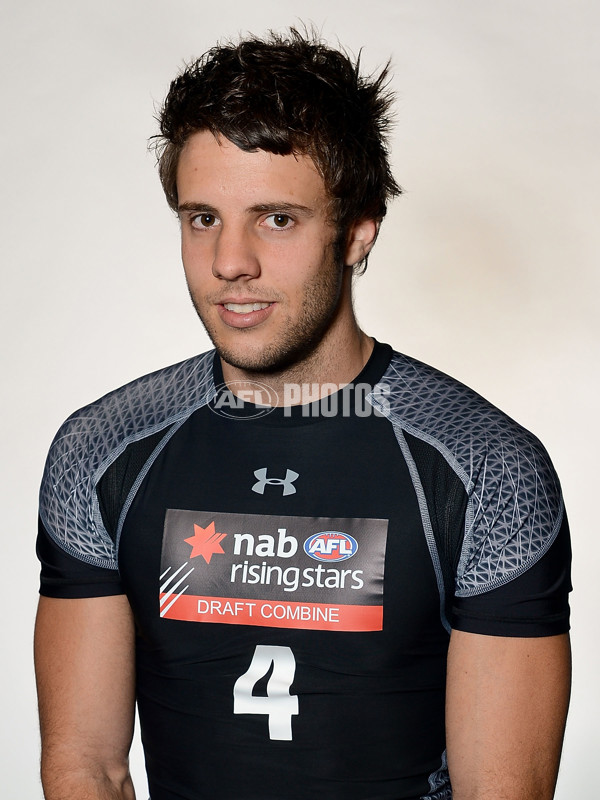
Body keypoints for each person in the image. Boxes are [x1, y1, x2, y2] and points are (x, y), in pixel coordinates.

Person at [34, 28, 572, 800]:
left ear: (357, 231)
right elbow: (86, 766)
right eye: (203, 218)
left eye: (276, 219)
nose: (230, 262)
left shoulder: (485, 467)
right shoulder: (103, 451)